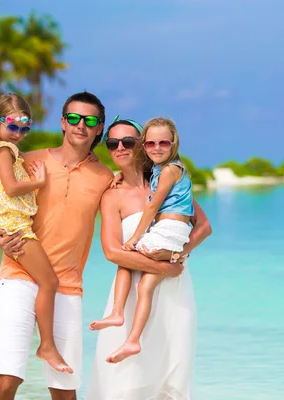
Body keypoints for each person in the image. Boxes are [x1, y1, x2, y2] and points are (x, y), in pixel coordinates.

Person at [0, 92, 186, 400]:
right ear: (63, 123)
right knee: (7, 380)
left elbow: (170, 211)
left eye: (90, 120)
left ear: (99, 129)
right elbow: (2, 207)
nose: (81, 125)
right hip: (18, 276)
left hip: (67, 287)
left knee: (65, 391)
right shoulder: (30, 161)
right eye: (75, 118)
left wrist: (178, 251)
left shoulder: (106, 178)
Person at [86, 116, 211, 399]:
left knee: (172, 381)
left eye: (128, 141)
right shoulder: (112, 195)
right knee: (125, 384)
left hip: (175, 297)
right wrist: (163, 268)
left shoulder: (167, 184)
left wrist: (179, 255)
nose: (121, 148)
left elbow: (203, 227)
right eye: (113, 143)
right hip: (130, 298)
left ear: (140, 145)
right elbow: (112, 252)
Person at [0, 93, 72, 374]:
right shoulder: (3, 150)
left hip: (12, 225)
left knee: (47, 282)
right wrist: (38, 182)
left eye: (25, 128)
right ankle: (46, 345)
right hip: (16, 228)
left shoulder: (3, 149)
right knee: (50, 282)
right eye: (13, 126)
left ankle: (44, 343)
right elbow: (10, 187)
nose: (18, 134)